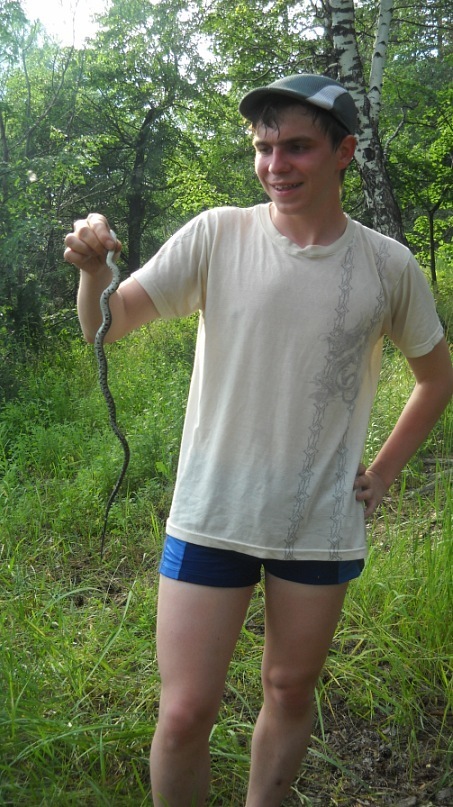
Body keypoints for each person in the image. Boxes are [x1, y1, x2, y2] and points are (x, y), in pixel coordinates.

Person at [64, 74, 453, 807]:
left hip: (319, 525)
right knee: (184, 712)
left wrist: (384, 471)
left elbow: (436, 377)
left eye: (297, 147)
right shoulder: (218, 234)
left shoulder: (387, 265)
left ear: (344, 152)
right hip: (212, 513)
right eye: (264, 147)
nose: (276, 165)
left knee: (288, 688)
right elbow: (105, 326)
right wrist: (94, 272)